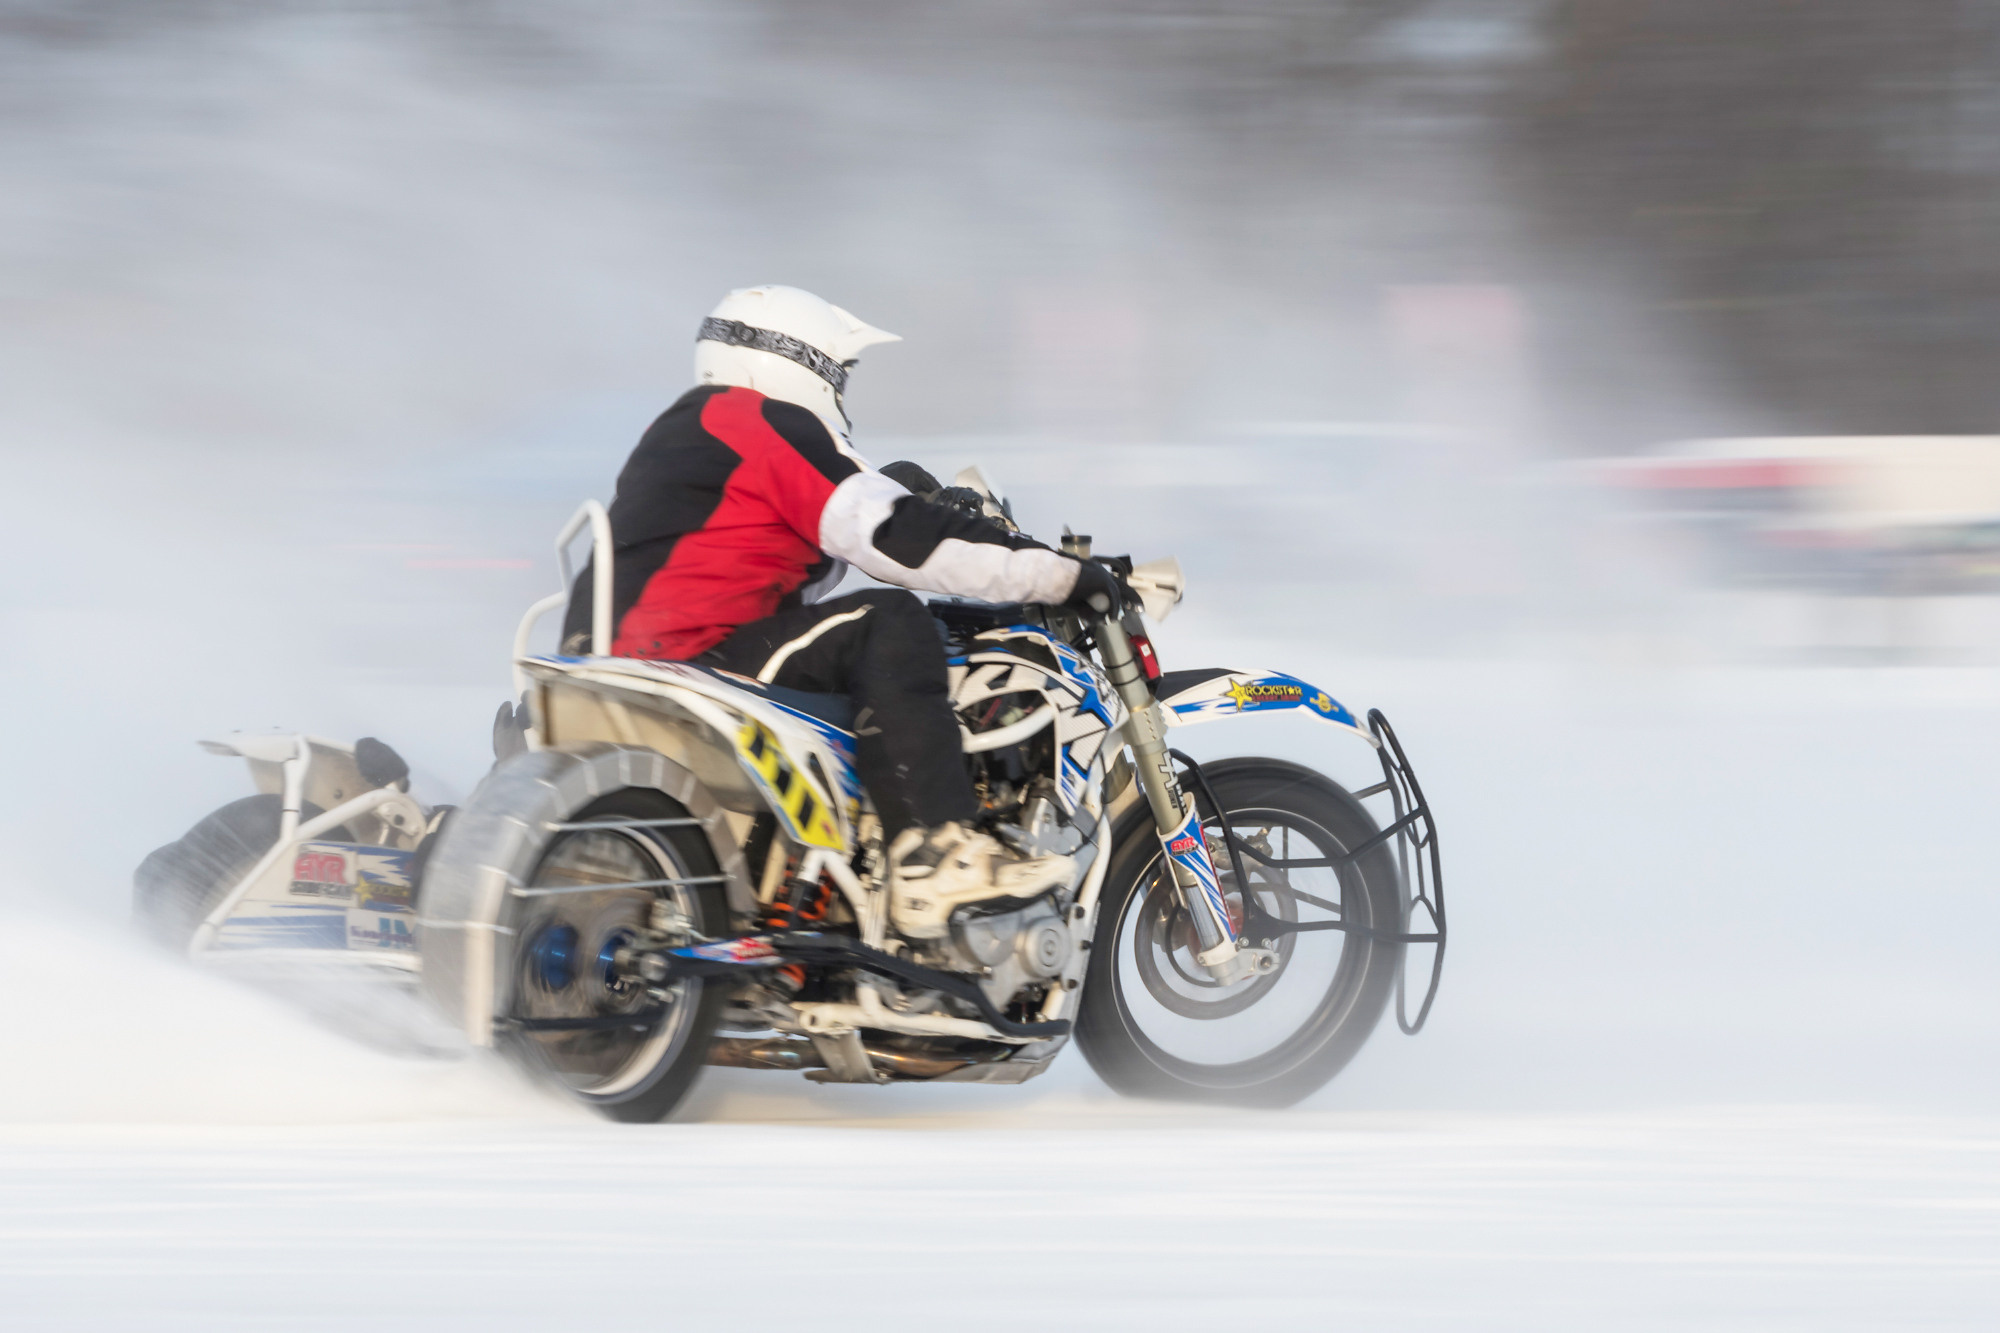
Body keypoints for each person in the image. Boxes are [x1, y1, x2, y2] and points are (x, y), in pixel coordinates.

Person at [561, 285, 1121, 939]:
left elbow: (785, 536)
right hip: (693, 654)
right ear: (807, 363)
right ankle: (934, 854)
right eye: (842, 373)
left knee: (850, 639)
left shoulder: (691, 425)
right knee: (888, 621)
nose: (842, 389)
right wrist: (1065, 574)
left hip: (610, 650)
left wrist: (902, 492)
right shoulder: (765, 419)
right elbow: (896, 542)